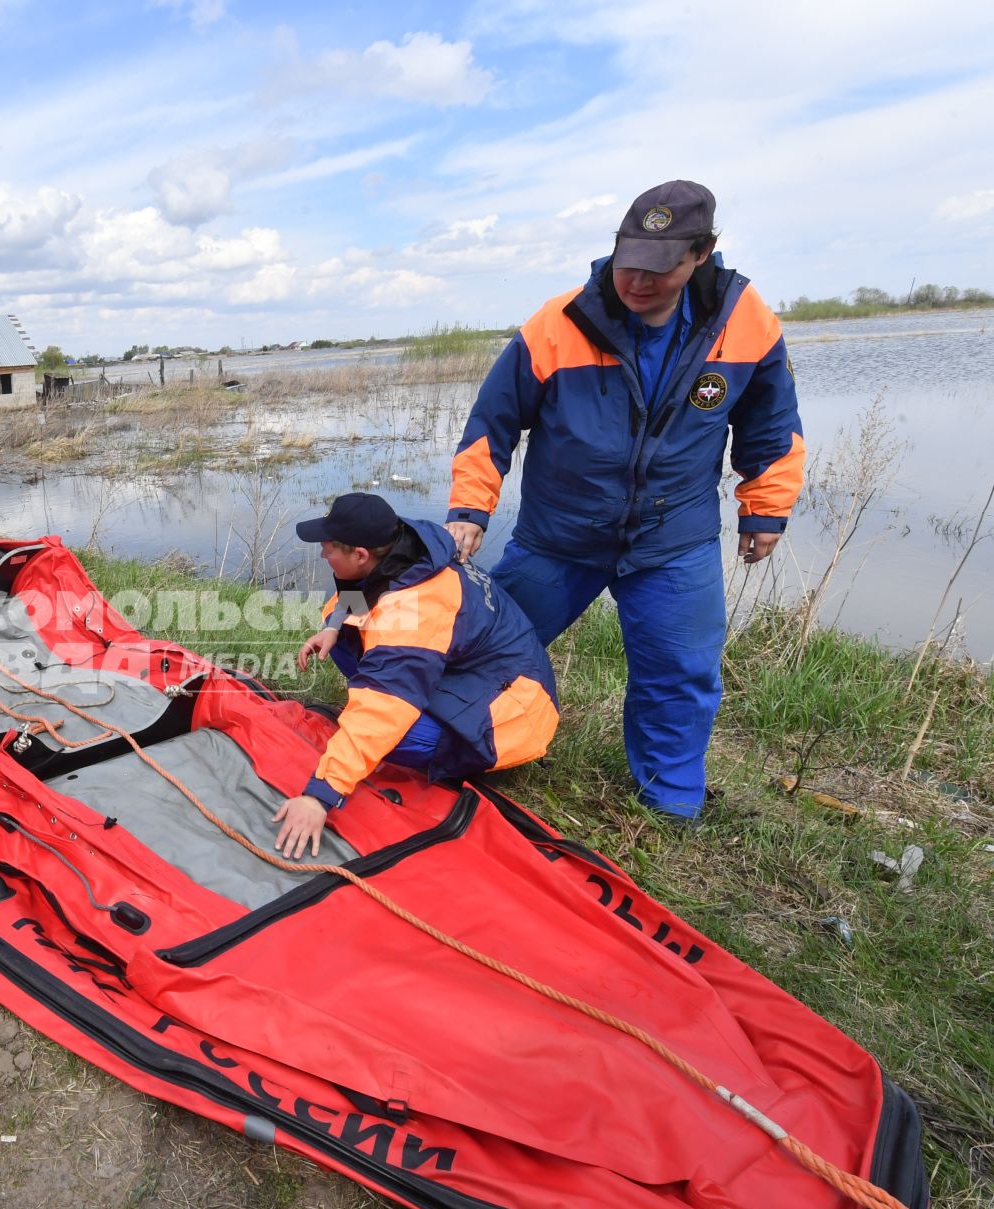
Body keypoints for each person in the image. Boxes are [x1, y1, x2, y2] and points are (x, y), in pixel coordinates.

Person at [443, 180, 805, 819]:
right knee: (480, 644)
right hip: (558, 537)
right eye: (628, 259)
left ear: (703, 253)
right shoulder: (559, 323)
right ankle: (444, 748)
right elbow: (491, 422)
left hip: (675, 541)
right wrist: (470, 510)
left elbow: (771, 425)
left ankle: (669, 804)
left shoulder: (745, 322)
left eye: (659, 267)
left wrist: (765, 506)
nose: (637, 280)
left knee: (679, 677)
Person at [272, 493, 559, 859]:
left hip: (514, 713)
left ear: (360, 554)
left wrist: (319, 796)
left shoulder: (412, 613)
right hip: (480, 671)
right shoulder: (400, 544)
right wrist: (333, 627)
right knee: (345, 635)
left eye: (328, 548)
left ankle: (465, 753)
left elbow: (382, 715)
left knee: (391, 733)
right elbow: (356, 587)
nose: (322, 555)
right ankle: (391, 687)